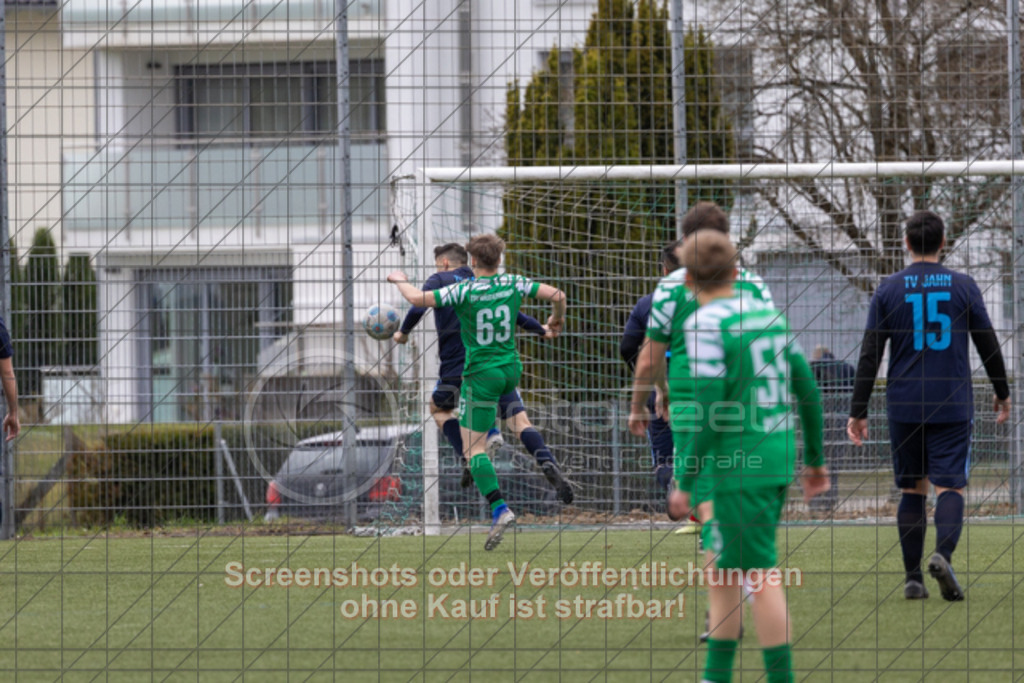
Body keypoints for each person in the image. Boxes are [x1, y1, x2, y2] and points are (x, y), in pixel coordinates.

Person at [635, 229, 828, 683]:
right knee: (726, 570)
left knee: (758, 575)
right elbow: (808, 391)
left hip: (736, 462)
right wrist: (815, 461)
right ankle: (715, 675)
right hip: (775, 456)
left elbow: (706, 411)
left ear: (687, 281)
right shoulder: (768, 316)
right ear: (737, 272)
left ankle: (779, 677)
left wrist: (684, 477)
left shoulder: (704, 324)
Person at [847, 210, 1010, 602]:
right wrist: (1002, 392)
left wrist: (858, 409)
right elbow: (987, 342)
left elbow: (870, 354)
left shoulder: (888, 289)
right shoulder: (964, 286)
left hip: (904, 405)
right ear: (943, 242)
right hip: (951, 402)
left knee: (912, 489)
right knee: (950, 485)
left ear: (906, 243)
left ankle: (914, 578)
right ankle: (944, 555)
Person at [389, 234, 567, 550]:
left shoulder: (463, 290)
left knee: (473, 449)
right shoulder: (512, 282)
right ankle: (547, 461)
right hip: (510, 369)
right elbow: (557, 294)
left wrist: (399, 279)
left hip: (478, 374)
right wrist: (553, 320)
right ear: (499, 260)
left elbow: (417, 300)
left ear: (473, 261)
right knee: (520, 423)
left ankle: (500, 509)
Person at [629, 202, 775, 541]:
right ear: (726, 237)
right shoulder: (753, 284)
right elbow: (770, 345)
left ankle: (714, 530)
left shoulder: (669, 287)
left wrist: (642, 403)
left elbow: (648, 358)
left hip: (691, 396)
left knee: (698, 467)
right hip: (743, 395)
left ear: (684, 241)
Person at [620, 241, 681, 493]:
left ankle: (672, 484)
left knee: (664, 457)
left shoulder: (648, 304)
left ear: (664, 270)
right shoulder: (710, 302)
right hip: (702, 385)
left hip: (659, 386)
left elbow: (627, 348)